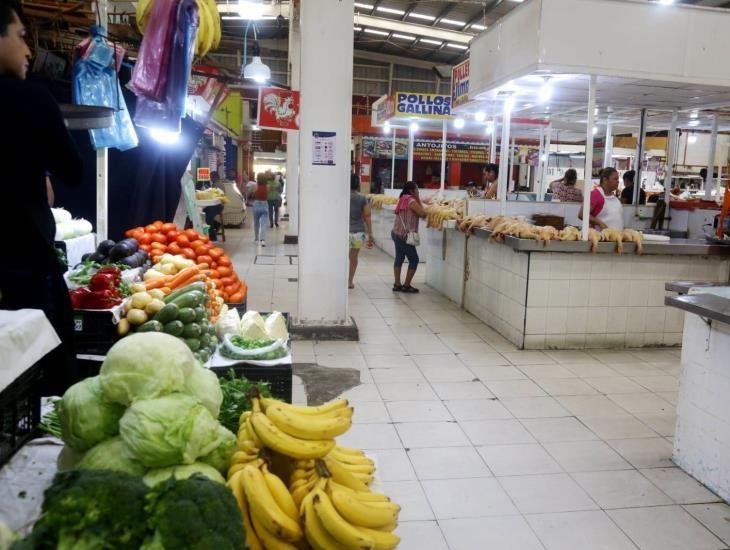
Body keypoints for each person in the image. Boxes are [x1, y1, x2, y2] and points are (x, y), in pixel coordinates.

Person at [0, 1, 84, 394]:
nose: (29, 50)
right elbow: (74, 171)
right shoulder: (29, 99)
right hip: (24, 268)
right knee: (41, 379)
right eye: (20, 37)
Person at [391, 181, 427, 293]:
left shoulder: (403, 198)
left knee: (399, 258)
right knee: (414, 259)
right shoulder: (411, 201)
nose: (418, 191)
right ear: (412, 191)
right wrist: (418, 198)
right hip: (405, 236)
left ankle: (397, 284)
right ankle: (406, 285)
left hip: (396, 233)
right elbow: (423, 214)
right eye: (417, 190)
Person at [348, 176, 373, 289]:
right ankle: (349, 281)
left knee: (341, 256)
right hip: (358, 231)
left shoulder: (343, 196)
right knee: (354, 257)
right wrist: (370, 233)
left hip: (344, 232)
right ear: (358, 184)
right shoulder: (362, 198)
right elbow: (367, 216)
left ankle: (340, 279)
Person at [202, 171, 225, 241]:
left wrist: (207, 190)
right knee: (204, 213)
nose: (210, 178)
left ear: (215, 177)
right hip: (217, 205)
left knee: (207, 217)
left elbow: (214, 195)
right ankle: (216, 226)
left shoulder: (217, 184)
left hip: (218, 206)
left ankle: (213, 237)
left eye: (211, 177)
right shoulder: (217, 183)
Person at [252, 173, 269, 246]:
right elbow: (267, 194)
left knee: (256, 223)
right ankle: (263, 240)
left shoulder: (255, 186)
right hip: (264, 204)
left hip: (256, 204)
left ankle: (256, 239)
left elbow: (253, 194)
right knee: (264, 224)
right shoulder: (268, 186)